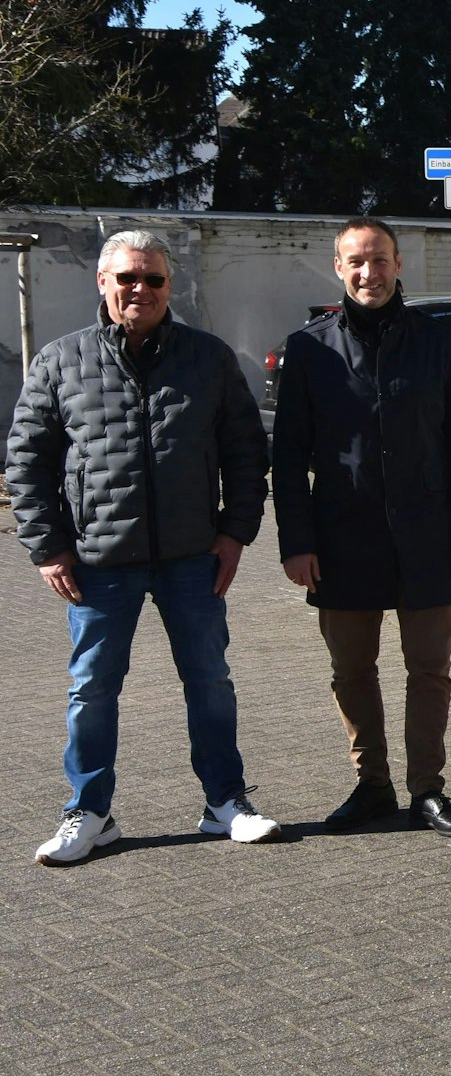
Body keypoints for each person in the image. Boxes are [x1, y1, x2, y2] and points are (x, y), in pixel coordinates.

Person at [7, 230, 282, 865]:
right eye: (128, 277)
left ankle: (225, 804)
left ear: (169, 287)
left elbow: (247, 453)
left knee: (210, 681)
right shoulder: (60, 360)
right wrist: (48, 547)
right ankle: (90, 812)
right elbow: (26, 462)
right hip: (98, 562)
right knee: (92, 689)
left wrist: (234, 533)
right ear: (102, 283)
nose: (141, 289)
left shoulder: (207, 358)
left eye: (154, 279)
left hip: (192, 557)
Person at [272, 218, 451, 838]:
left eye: (380, 261)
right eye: (356, 263)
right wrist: (297, 543)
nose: (369, 274)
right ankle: (372, 786)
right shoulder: (310, 348)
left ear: (399, 266)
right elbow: (288, 458)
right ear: (339, 269)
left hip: (430, 536)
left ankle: (428, 789)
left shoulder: (437, 342)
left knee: (430, 670)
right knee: (352, 671)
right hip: (342, 540)